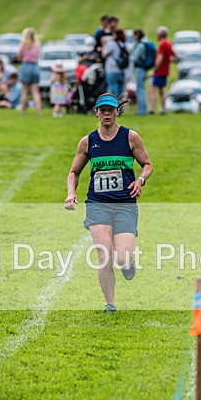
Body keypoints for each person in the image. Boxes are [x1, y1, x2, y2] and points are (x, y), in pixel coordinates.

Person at [64, 93, 154, 312]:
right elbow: (74, 171)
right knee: (103, 255)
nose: (106, 114)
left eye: (110, 110)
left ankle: (127, 263)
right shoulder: (88, 142)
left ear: (117, 112)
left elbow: (148, 164)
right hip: (97, 204)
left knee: (121, 258)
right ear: (96, 112)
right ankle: (110, 304)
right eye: (102, 110)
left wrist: (140, 180)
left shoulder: (130, 137)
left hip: (125, 204)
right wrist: (70, 192)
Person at [148, 26, 176, 116]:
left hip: (159, 72)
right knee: (161, 90)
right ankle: (163, 109)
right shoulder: (168, 43)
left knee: (152, 89)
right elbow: (174, 56)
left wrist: (155, 69)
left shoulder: (162, 44)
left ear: (160, 34)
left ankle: (152, 109)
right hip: (165, 71)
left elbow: (161, 57)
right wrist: (168, 61)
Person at [17, 28, 42, 114]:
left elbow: (19, 57)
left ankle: (23, 110)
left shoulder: (23, 45)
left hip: (26, 66)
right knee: (35, 91)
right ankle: (39, 111)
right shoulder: (37, 45)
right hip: (35, 67)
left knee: (24, 91)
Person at [102, 30, 127, 100]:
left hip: (112, 70)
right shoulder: (123, 44)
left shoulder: (112, 44)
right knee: (120, 92)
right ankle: (120, 108)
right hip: (121, 70)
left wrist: (105, 44)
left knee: (112, 90)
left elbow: (104, 54)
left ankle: (112, 107)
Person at [130, 29, 149, 115]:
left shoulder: (140, 46)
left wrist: (130, 55)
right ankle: (142, 109)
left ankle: (142, 110)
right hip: (141, 70)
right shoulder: (139, 45)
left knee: (140, 90)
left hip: (140, 70)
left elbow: (135, 58)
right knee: (141, 90)